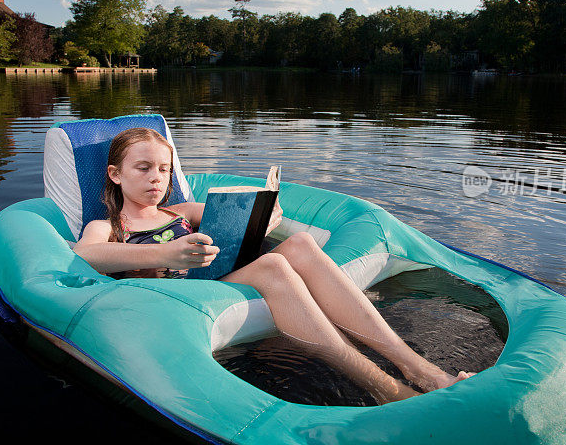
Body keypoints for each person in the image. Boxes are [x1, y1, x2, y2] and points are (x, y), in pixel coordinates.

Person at [74, 127, 473, 404]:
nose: (156, 178)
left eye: (163, 169)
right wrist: (164, 254)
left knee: (298, 243)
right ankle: (383, 386)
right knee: (274, 269)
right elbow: (84, 256)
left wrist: (268, 216)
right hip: (176, 297)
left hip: (216, 276)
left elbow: (237, 218)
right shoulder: (108, 226)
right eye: (143, 168)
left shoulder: (180, 211)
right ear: (115, 174)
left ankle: (420, 368)